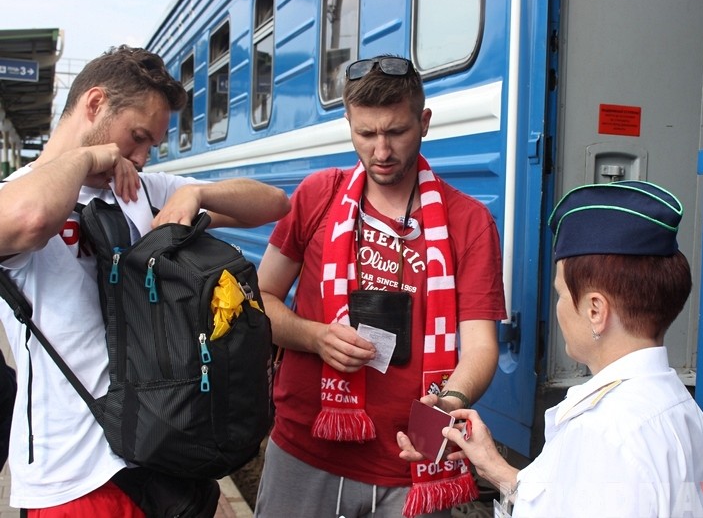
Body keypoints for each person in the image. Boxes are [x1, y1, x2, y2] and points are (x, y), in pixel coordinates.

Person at [0, 45, 290, 517]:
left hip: (162, 459)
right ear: (94, 104)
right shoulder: (15, 196)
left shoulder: (141, 189)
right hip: (75, 480)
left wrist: (197, 192)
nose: (140, 155)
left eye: (150, 145)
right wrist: (88, 157)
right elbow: (30, 219)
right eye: (136, 137)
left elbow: (274, 203)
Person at [253, 55, 506, 517]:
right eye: (365, 134)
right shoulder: (317, 196)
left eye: (396, 132)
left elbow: (481, 347)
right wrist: (315, 337)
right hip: (305, 452)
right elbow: (260, 300)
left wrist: (449, 401)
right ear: (348, 122)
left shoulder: (469, 222)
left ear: (424, 122)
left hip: (409, 463)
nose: (381, 151)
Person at [398, 180, 703, 517]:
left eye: (561, 293)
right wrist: (494, 466)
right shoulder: (684, 411)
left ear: (596, 310)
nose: (559, 307)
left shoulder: (601, 431)